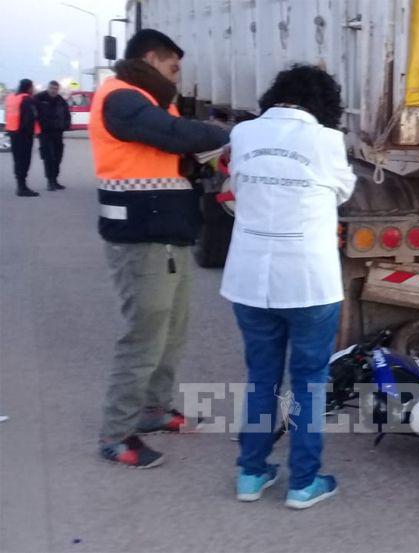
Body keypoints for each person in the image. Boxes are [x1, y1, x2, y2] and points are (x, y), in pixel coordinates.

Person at [90, 29, 229, 468]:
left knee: (172, 331)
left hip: (167, 233)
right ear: (151, 58)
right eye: (173, 65)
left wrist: (200, 160)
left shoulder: (150, 101)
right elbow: (169, 134)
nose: (176, 74)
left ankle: (154, 410)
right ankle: (117, 433)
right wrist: (226, 133)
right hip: (139, 236)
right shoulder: (122, 97)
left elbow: (169, 153)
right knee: (144, 336)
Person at [220, 65, 355, 508]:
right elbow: (342, 192)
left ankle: (251, 473)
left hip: (249, 277)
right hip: (309, 282)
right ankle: (303, 483)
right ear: (325, 105)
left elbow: (238, 186)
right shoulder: (327, 141)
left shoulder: (242, 134)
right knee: (309, 383)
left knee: (262, 378)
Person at [4, 79, 41, 197]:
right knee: (24, 160)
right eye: (32, 87)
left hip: (13, 132)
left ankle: (20, 185)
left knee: (17, 160)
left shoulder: (11, 98)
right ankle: (22, 188)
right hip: (24, 135)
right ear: (28, 87)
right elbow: (29, 118)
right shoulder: (27, 99)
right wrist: (31, 133)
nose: (33, 89)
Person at [35, 80, 71, 191]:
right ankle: (50, 182)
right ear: (48, 87)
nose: (53, 91)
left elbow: (67, 114)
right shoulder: (39, 98)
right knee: (49, 157)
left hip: (58, 133)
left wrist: (66, 125)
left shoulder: (60, 100)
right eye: (51, 88)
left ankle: (55, 180)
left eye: (55, 89)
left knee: (58, 157)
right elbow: (32, 112)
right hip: (45, 133)